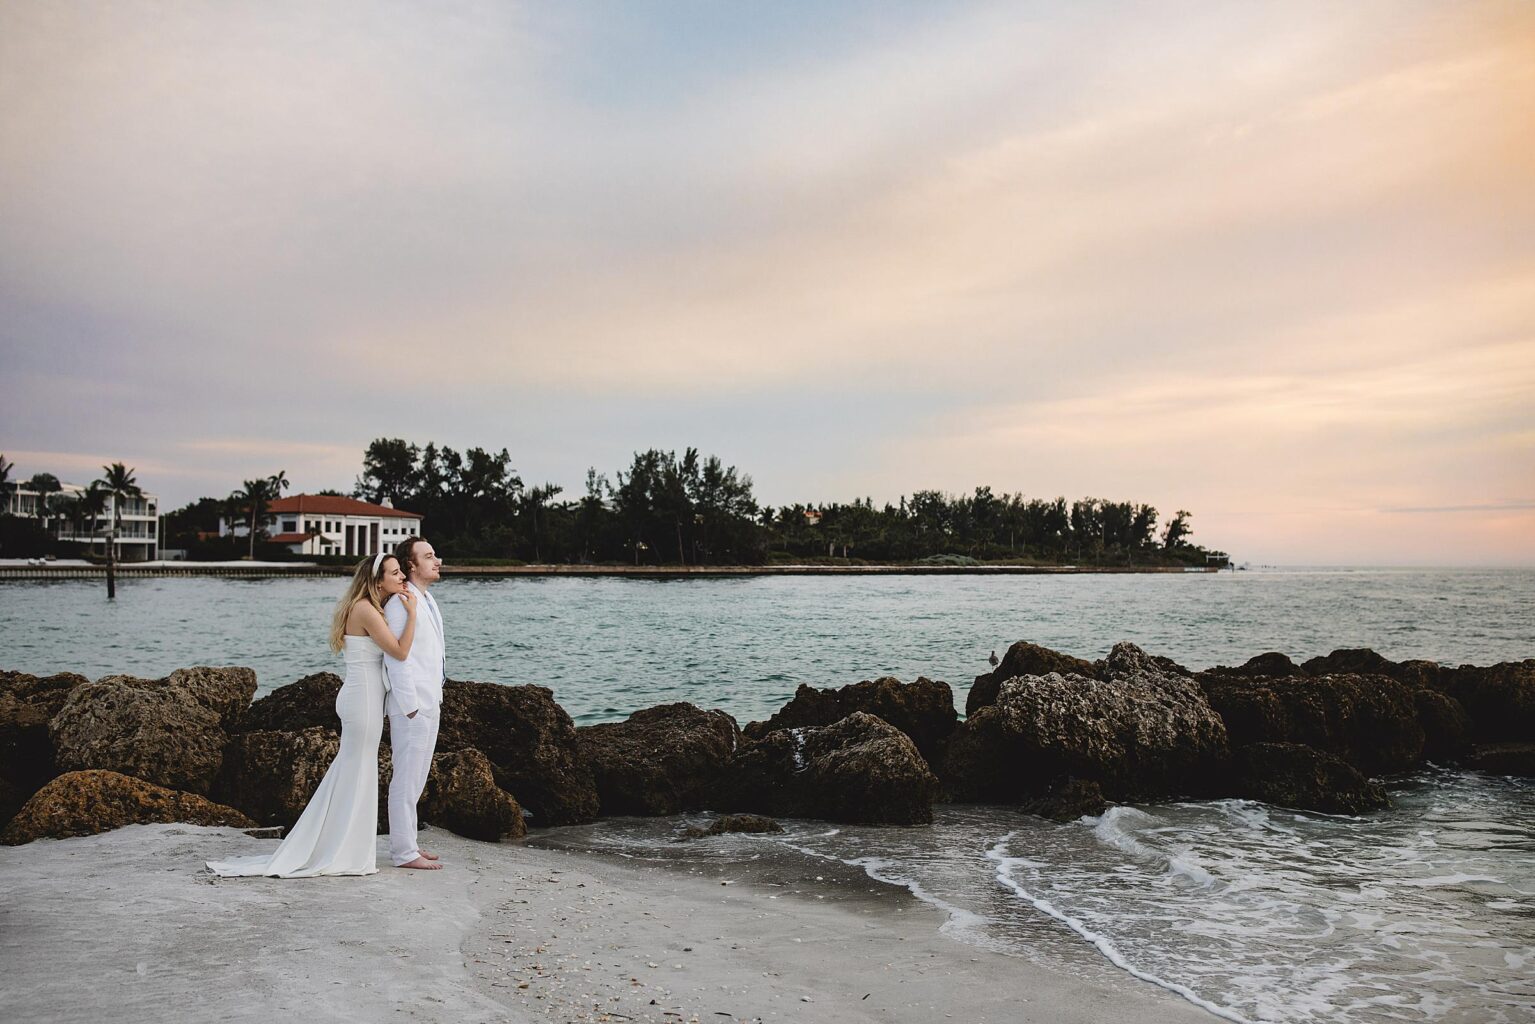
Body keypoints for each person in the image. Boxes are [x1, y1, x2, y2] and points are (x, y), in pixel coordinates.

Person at [207, 553, 417, 877]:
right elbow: (400, 651)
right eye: (395, 572)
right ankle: (344, 851)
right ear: (377, 581)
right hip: (363, 700)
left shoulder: (367, 607)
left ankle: (345, 847)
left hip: (363, 696)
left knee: (353, 772)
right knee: (356, 772)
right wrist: (413, 614)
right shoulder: (365, 609)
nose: (402, 575)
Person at [384, 536, 445, 870]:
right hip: (412, 705)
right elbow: (396, 657)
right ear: (411, 565)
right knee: (406, 778)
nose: (437, 560)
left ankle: (411, 844)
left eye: (435, 555)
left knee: (418, 777)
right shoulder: (399, 603)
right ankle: (403, 852)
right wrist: (409, 705)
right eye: (429, 556)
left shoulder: (426, 599)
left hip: (429, 700)